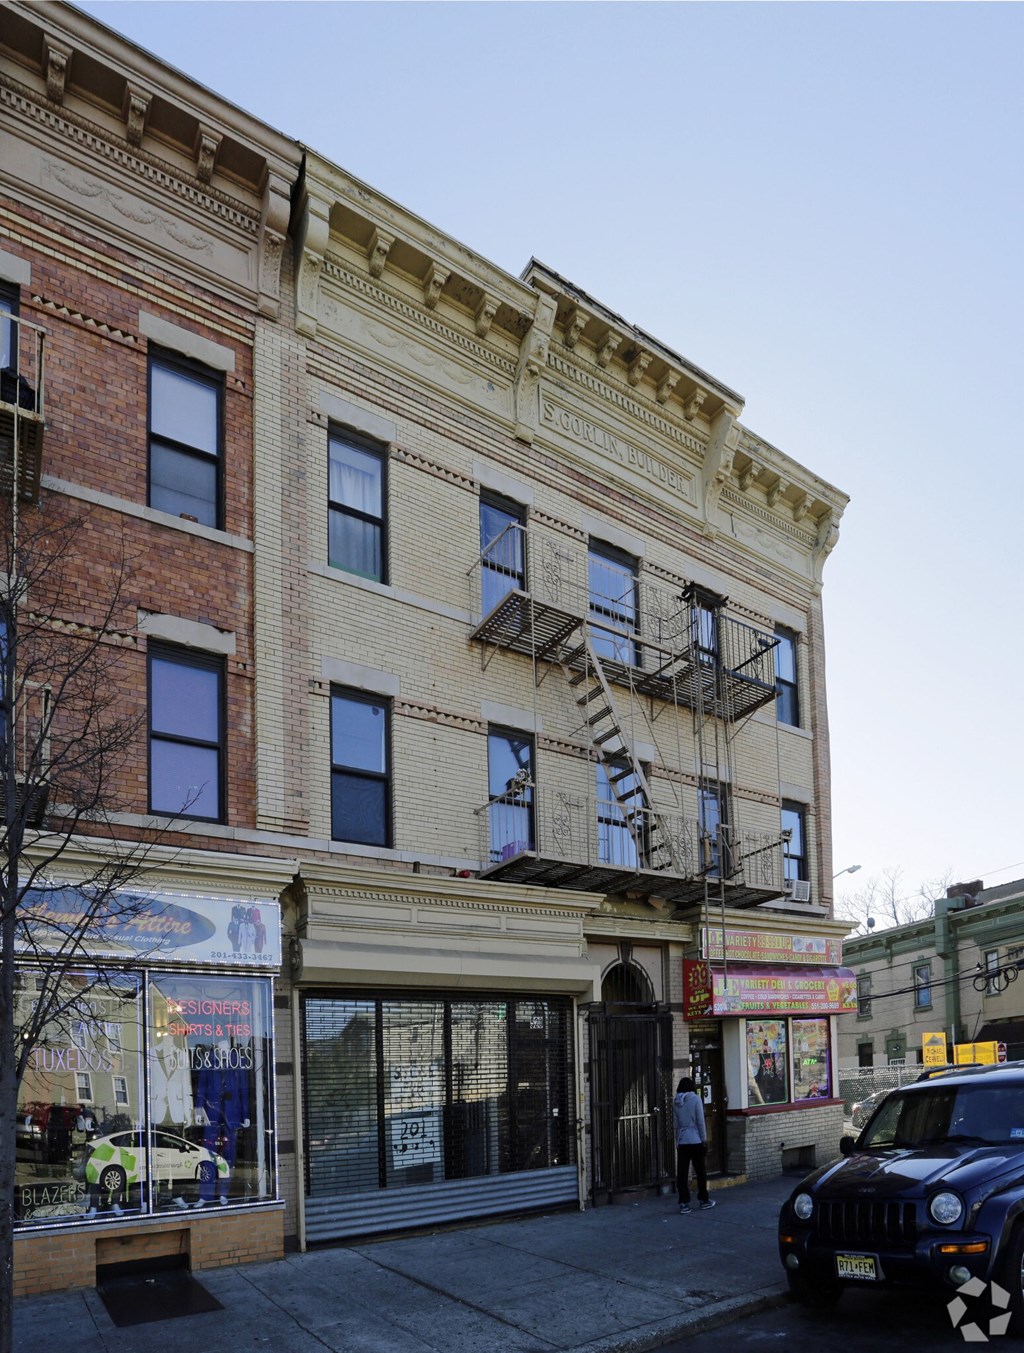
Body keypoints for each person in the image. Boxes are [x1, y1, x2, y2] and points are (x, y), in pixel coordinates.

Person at [673, 1076, 716, 1213]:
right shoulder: (696, 1099)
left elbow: (675, 1124)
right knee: (700, 1171)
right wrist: (704, 1139)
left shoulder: (676, 1101)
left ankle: (684, 1202)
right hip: (695, 1139)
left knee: (682, 1172)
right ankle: (704, 1199)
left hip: (682, 1140)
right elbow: (700, 1121)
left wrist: (677, 1140)